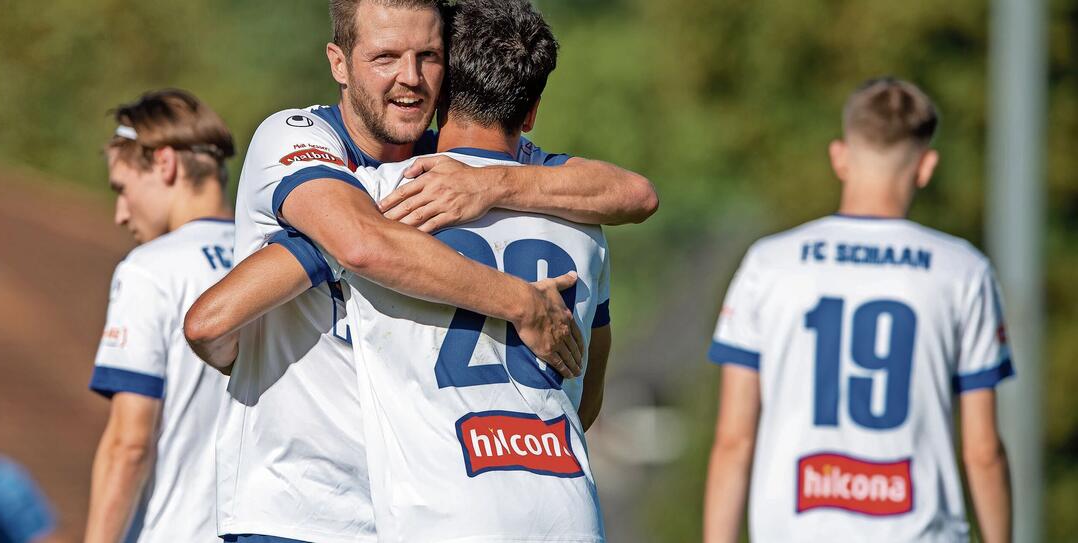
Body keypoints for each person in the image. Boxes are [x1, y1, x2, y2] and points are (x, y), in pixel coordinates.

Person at [183, 0, 654, 541]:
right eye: (385, 56)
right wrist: (521, 302)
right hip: (302, 508)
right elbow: (362, 244)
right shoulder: (296, 138)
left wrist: (494, 185)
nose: (409, 78)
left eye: (427, 56)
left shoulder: (452, 164)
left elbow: (636, 193)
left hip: (414, 510)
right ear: (339, 63)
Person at [703, 78, 1014, 542]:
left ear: (840, 157)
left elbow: (733, 439)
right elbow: (983, 451)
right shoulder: (963, 270)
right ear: (926, 166)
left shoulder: (768, 263)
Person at [83, 89, 236, 543]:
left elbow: (130, 444)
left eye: (123, 189)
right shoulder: (275, 259)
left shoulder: (149, 269)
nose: (120, 213)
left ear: (165, 164)